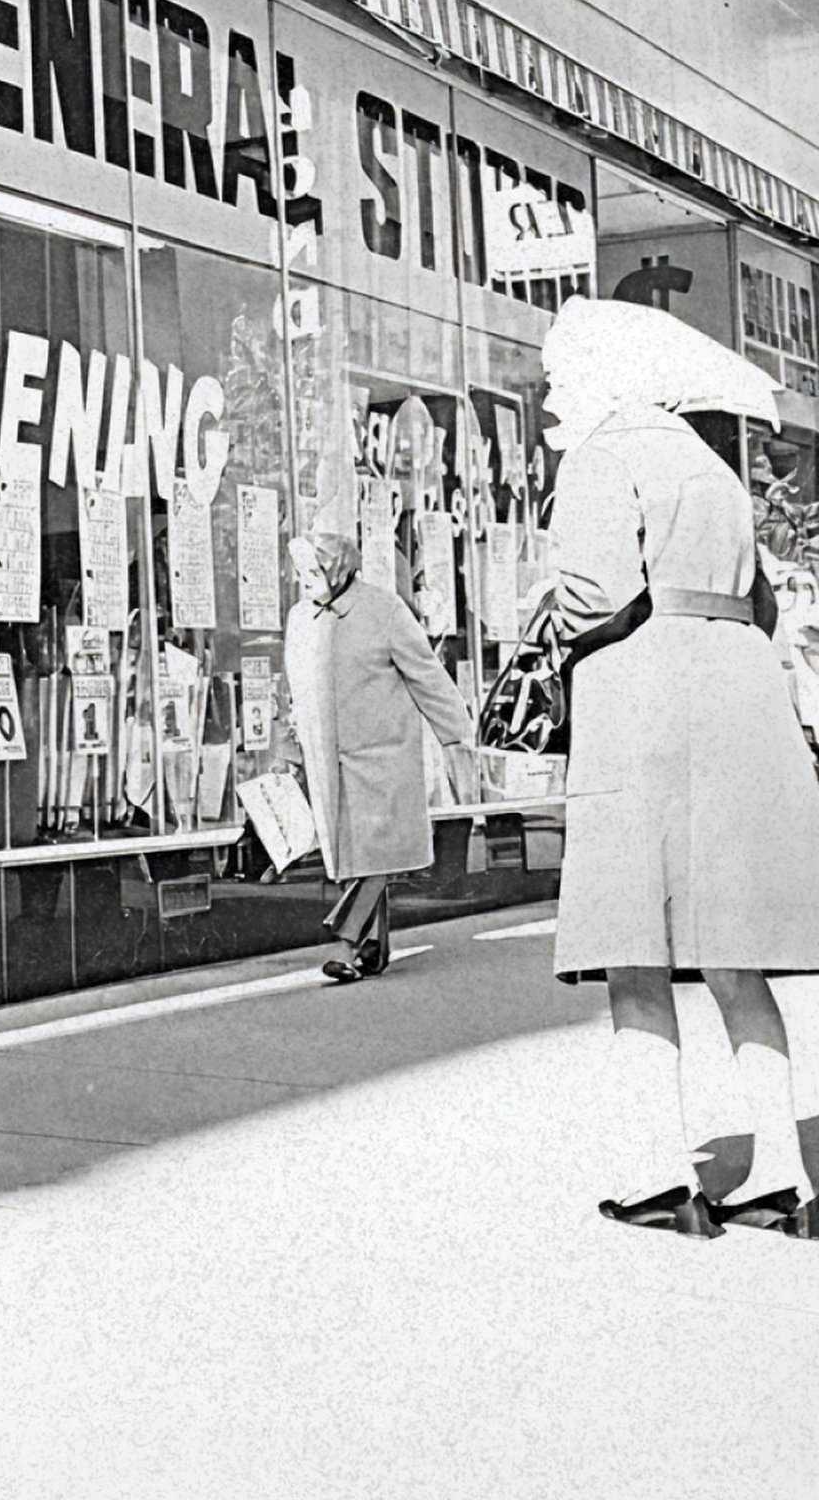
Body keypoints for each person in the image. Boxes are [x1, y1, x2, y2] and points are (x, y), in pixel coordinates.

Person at [529, 298, 819, 1242]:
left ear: (603, 376)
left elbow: (596, 596)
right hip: (738, 708)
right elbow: (765, 608)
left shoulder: (600, 458)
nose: (551, 386)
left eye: (561, 370)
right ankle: (783, 1175)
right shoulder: (714, 468)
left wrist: (542, 601)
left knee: (634, 948)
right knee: (733, 956)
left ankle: (664, 1178)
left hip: (643, 708)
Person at [282, 526, 472, 982]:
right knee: (361, 858)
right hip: (330, 763)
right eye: (301, 571)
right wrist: (289, 752)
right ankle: (375, 949)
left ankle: (345, 947)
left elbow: (427, 675)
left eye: (314, 570)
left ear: (339, 568)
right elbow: (297, 696)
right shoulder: (300, 619)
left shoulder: (385, 609)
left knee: (375, 857)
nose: (305, 579)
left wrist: (456, 738)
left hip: (385, 759)